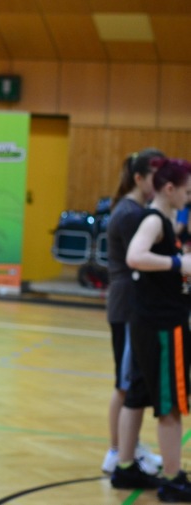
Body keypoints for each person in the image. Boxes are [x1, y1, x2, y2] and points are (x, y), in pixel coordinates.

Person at [117, 157, 191, 501]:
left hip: (148, 320)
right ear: (170, 189)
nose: (188, 198)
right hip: (162, 326)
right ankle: (173, 480)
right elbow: (135, 256)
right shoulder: (153, 220)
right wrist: (178, 263)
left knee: (137, 394)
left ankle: (125, 466)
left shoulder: (166, 220)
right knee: (170, 403)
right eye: (187, 192)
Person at [103, 149, 165, 479]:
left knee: (130, 382)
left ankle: (130, 445)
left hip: (131, 305)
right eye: (157, 176)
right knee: (125, 383)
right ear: (139, 178)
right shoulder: (130, 214)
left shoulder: (137, 211)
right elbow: (141, 261)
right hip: (128, 306)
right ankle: (116, 451)